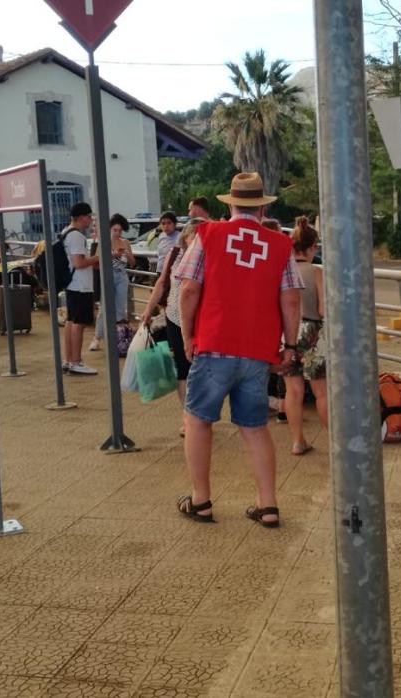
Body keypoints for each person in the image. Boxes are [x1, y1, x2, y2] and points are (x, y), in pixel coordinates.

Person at [175, 172, 303, 528]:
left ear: (230, 204)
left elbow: (187, 290)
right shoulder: (280, 245)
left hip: (215, 344)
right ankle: (268, 505)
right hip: (258, 352)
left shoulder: (208, 235)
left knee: (198, 421)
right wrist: (289, 347)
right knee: (254, 426)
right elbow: (291, 300)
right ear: (262, 208)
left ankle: (200, 501)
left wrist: (188, 335)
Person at [140, 219, 200, 437]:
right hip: (175, 318)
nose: (197, 243)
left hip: (200, 322)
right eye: (193, 238)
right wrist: (149, 310)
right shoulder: (174, 256)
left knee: (199, 370)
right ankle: (187, 416)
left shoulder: (210, 259)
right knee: (182, 369)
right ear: (185, 239)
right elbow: (162, 283)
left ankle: (198, 414)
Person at [283, 216, 328, 456]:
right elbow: (322, 310)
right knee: (321, 391)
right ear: (312, 247)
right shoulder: (317, 273)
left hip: (288, 335)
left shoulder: (283, 272)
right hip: (313, 334)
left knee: (293, 391)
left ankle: (298, 441)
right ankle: (334, 441)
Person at [62, 202, 99, 375]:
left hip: (71, 284)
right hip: (81, 285)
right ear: (82, 217)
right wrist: (97, 258)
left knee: (71, 321)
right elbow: (79, 262)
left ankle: (69, 359)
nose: (90, 220)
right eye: (89, 216)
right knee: (79, 323)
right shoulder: (76, 236)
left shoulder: (65, 232)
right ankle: (76, 361)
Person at [90, 214, 136, 352]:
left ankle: (116, 337)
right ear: (110, 229)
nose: (117, 233)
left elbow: (133, 263)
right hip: (108, 275)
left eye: (119, 231)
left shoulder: (125, 242)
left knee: (120, 308)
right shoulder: (103, 242)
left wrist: (127, 254)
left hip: (122, 275)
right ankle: (97, 338)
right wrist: (112, 255)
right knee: (105, 307)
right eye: (115, 230)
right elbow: (97, 261)